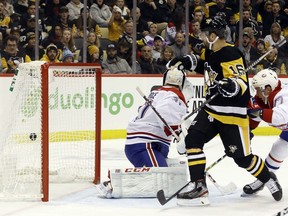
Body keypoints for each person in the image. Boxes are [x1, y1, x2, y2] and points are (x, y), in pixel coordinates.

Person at [171, 13, 282, 206]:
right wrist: (186, 61)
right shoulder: (211, 51)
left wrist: (229, 86)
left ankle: (267, 178)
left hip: (232, 113)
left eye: (206, 33)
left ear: (214, 35)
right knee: (193, 140)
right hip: (212, 109)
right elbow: (203, 63)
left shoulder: (231, 54)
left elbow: (241, 83)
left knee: (242, 159)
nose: (203, 36)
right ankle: (199, 185)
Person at [125, 65, 194, 167]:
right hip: (146, 144)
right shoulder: (173, 96)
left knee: (168, 175)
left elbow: (141, 109)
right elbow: (164, 111)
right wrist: (177, 132)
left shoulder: (157, 92)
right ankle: (111, 183)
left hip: (147, 143)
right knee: (159, 177)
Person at [245, 68, 288, 196]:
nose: (256, 93)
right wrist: (248, 130)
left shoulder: (284, 95)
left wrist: (258, 111)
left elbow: (280, 117)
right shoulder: (267, 97)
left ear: (267, 88)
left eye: (258, 89)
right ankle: (265, 179)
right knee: (279, 148)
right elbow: (256, 116)